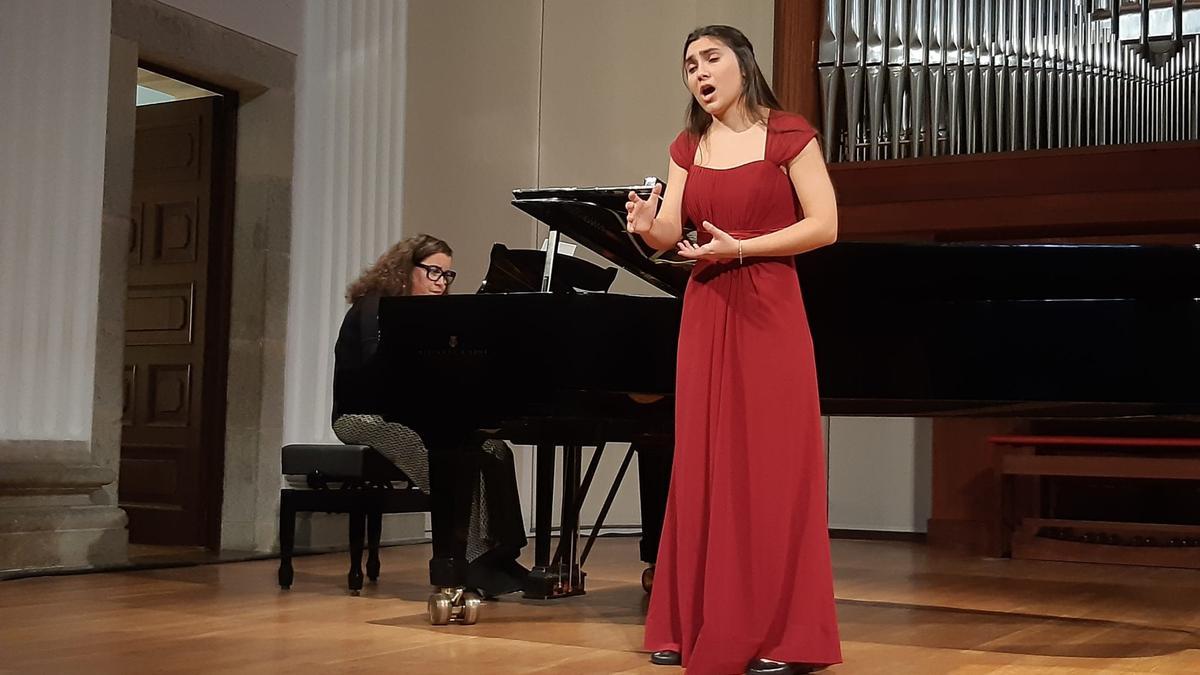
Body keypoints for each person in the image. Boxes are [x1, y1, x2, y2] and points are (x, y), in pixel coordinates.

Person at [626, 26, 843, 675]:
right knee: (701, 460)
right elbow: (671, 231)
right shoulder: (688, 145)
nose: (699, 72)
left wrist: (743, 247)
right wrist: (646, 228)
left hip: (769, 306)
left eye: (711, 58)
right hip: (707, 306)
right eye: (690, 64)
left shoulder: (788, 134)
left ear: (743, 64)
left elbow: (825, 224)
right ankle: (687, 620)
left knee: (770, 465)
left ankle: (784, 634)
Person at [331, 233, 528, 596]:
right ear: (406, 270)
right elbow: (373, 377)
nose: (440, 283)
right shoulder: (373, 309)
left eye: (447, 276)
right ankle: (470, 561)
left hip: (413, 415)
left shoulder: (435, 320)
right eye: (433, 272)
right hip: (364, 416)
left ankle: (500, 553)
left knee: (494, 449)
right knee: (447, 462)